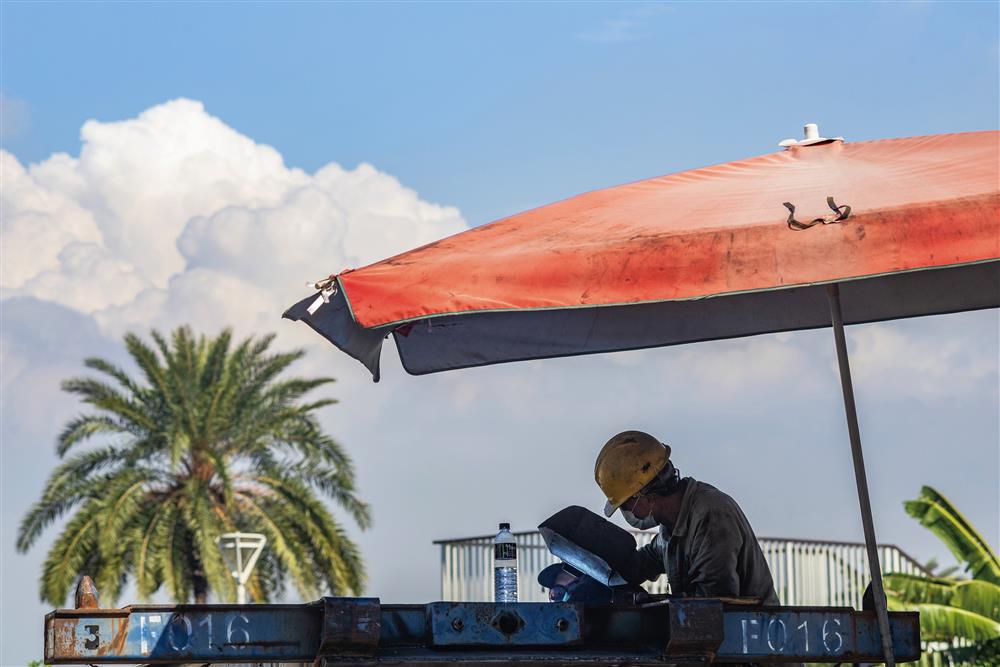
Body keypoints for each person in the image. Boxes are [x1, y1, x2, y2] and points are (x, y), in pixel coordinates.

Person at [594, 430, 780, 605]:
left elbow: (713, 600)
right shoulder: (671, 526)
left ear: (648, 498)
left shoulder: (711, 516)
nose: (629, 513)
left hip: (754, 631)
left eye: (626, 506)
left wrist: (654, 603)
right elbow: (645, 562)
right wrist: (605, 566)